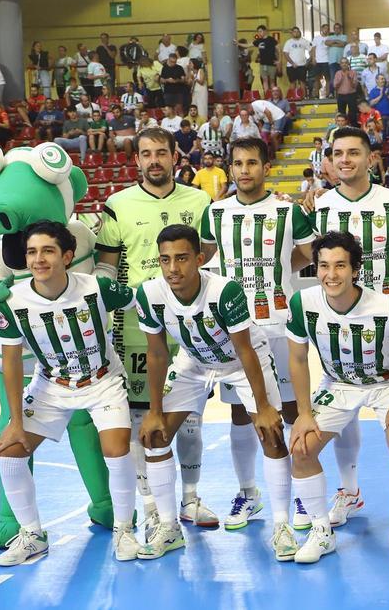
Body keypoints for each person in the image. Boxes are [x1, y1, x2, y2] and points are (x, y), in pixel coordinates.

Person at [0, 221, 141, 565]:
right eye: (32, 251)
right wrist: (15, 421)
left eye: (48, 251)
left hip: (102, 382)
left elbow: (143, 303)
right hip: (50, 387)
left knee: (116, 450)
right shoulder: (13, 301)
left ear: (68, 256)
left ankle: (124, 529)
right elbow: (11, 363)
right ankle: (32, 534)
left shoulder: (98, 287)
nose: (38, 259)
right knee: (9, 452)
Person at [131, 225, 288, 559]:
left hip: (241, 360)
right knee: (155, 437)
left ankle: (282, 526)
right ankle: (170, 529)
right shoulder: (149, 294)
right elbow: (157, 354)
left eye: (182, 258)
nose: (173, 268)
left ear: (200, 259)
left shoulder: (224, 291)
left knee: (271, 432)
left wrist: (262, 407)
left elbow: (245, 350)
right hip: (194, 362)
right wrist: (155, 411)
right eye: (166, 260)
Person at [95, 128, 216, 532]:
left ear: (174, 156)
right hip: (133, 326)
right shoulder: (118, 204)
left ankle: (191, 499)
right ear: (137, 160)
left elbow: (209, 258)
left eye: (161, 153)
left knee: (191, 417)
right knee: (140, 419)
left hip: (189, 325)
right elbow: (106, 267)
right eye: (146, 154)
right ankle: (150, 503)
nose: (154, 160)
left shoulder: (199, 201)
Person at [283, 229, 389, 563]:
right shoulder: (302, 303)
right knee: (302, 449)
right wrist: (304, 412)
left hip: (388, 383)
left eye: (339, 266)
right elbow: (297, 358)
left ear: (355, 269)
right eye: (323, 266)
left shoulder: (385, 306)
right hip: (338, 385)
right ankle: (322, 532)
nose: (330, 275)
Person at [197, 137, 315, 532]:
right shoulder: (214, 214)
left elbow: (306, 256)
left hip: (280, 322)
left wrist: (281, 269)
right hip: (235, 329)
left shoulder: (288, 212)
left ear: (266, 167)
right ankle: (249, 492)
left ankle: (300, 491)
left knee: (292, 408)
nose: (244, 170)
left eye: (252, 162)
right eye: (238, 163)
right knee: (241, 412)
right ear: (230, 169)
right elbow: (204, 259)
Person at [308, 126, 389, 525]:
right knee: (344, 405)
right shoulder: (320, 207)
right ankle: (350, 491)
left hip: (388, 322)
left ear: (371, 158)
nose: (345, 160)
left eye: (354, 153)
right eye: (337, 153)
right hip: (339, 321)